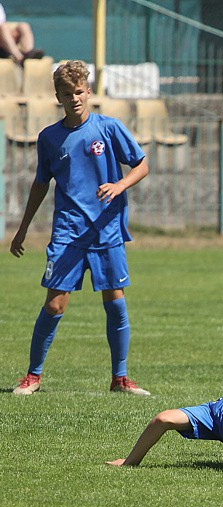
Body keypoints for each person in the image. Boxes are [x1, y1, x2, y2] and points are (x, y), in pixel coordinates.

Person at [10, 60, 150, 396]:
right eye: (66, 93)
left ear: (87, 91)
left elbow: (142, 164)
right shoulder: (49, 137)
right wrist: (22, 228)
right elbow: (41, 184)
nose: (74, 98)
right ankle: (33, 376)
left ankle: (120, 379)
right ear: (57, 96)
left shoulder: (109, 127)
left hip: (106, 230)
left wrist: (119, 186)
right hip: (68, 232)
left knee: (115, 301)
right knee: (55, 304)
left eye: (79, 91)